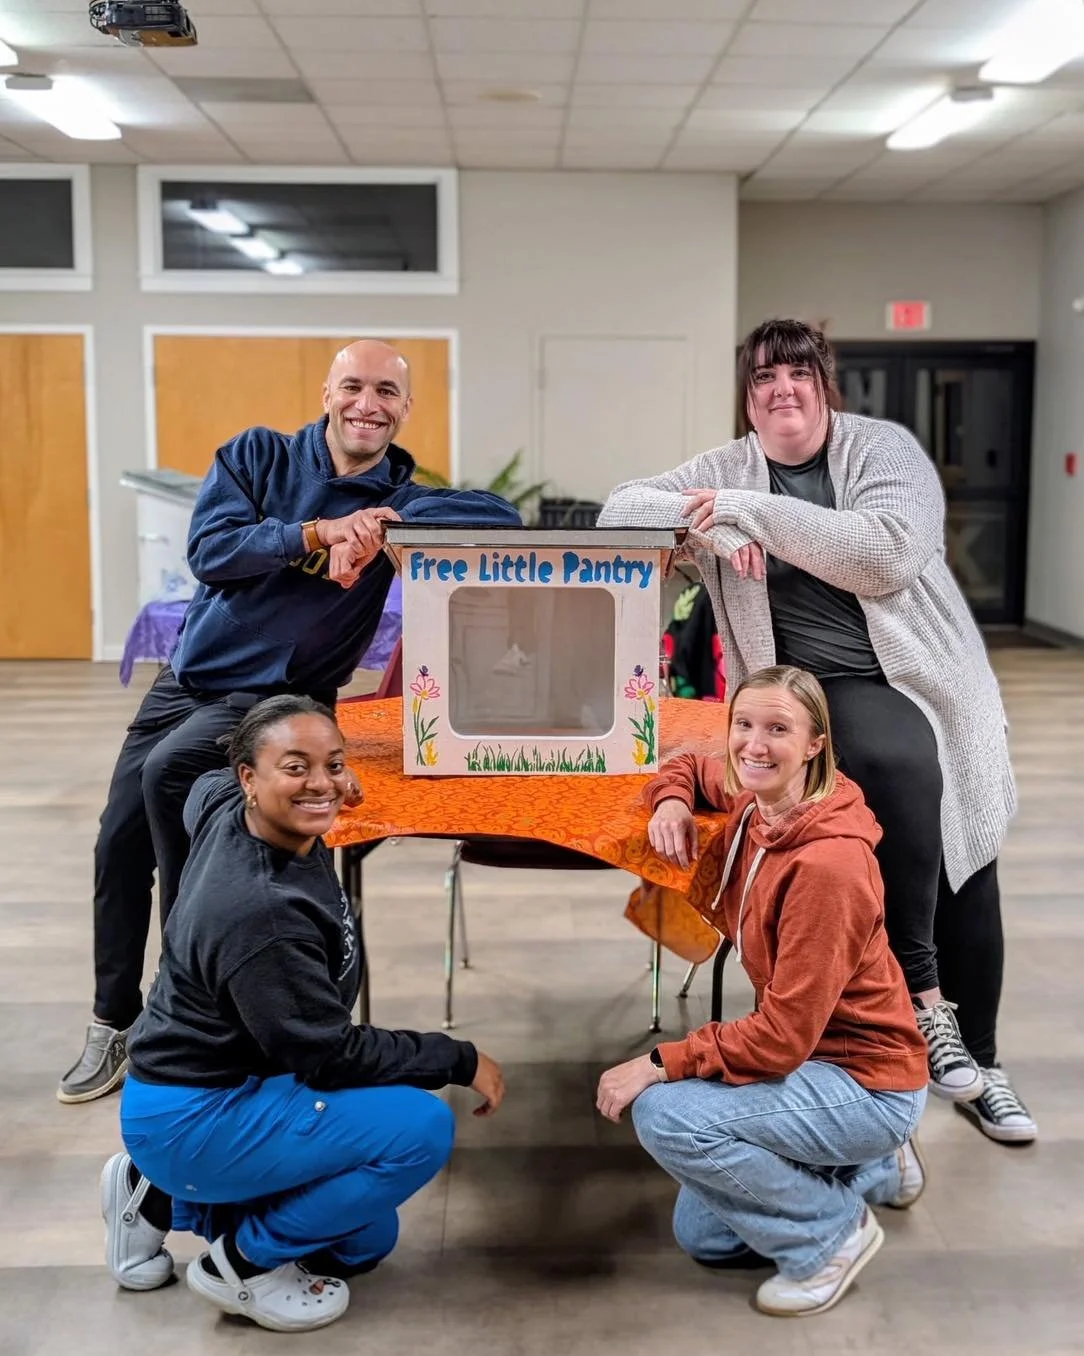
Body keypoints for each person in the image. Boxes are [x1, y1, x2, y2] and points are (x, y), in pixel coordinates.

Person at [598, 317, 1036, 1143]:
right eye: (764, 378)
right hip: (804, 692)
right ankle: (902, 1031)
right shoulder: (726, 468)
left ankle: (974, 1055)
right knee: (878, 799)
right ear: (748, 397)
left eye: (798, 373)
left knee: (962, 858)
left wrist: (745, 511)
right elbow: (618, 510)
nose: (782, 390)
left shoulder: (881, 452)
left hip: (920, 680)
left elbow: (883, 555)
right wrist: (714, 523)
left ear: (825, 385)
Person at [59, 340, 521, 1105]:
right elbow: (213, 551)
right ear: (327, 394)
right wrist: (318, 533)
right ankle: (114, 1019)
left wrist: (385, 519)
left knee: (186, 813)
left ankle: (185, 1012)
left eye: (386, 392)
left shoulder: (401, 493)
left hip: (279, 700)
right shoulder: (257, 456)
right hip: (188, 683)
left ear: (406, 409)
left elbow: (500, 515)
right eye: (354, 386)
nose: (368, 404)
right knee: (118, 843)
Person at [100, 695, 505, 1333]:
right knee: (420, 1129)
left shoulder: (227, 807)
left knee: (359, 1243)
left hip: (226, 1083)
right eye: (296, 767)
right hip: (196, 1111)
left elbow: (199, 781)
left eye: (333, 764)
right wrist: (456, 1058)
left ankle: (156, 1196)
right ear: (249, 778)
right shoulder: (262, 913)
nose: (322, 784)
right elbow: (327, 1055)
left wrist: (317, 779)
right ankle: (241, 1265)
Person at [596, 665, 928, 1318]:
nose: (754, 745)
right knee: (706, 1236)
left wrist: (661, 1061)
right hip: (815, 1061)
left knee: (664, 1115)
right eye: (743, 725)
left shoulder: (828, 867)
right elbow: (689, 768)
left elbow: (779, 1040)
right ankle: (877, 1169)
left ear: (815, 744)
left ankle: (832, 1237)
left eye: (778, 729)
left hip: (865, 1080)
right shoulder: (759, 796)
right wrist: (670, 801)